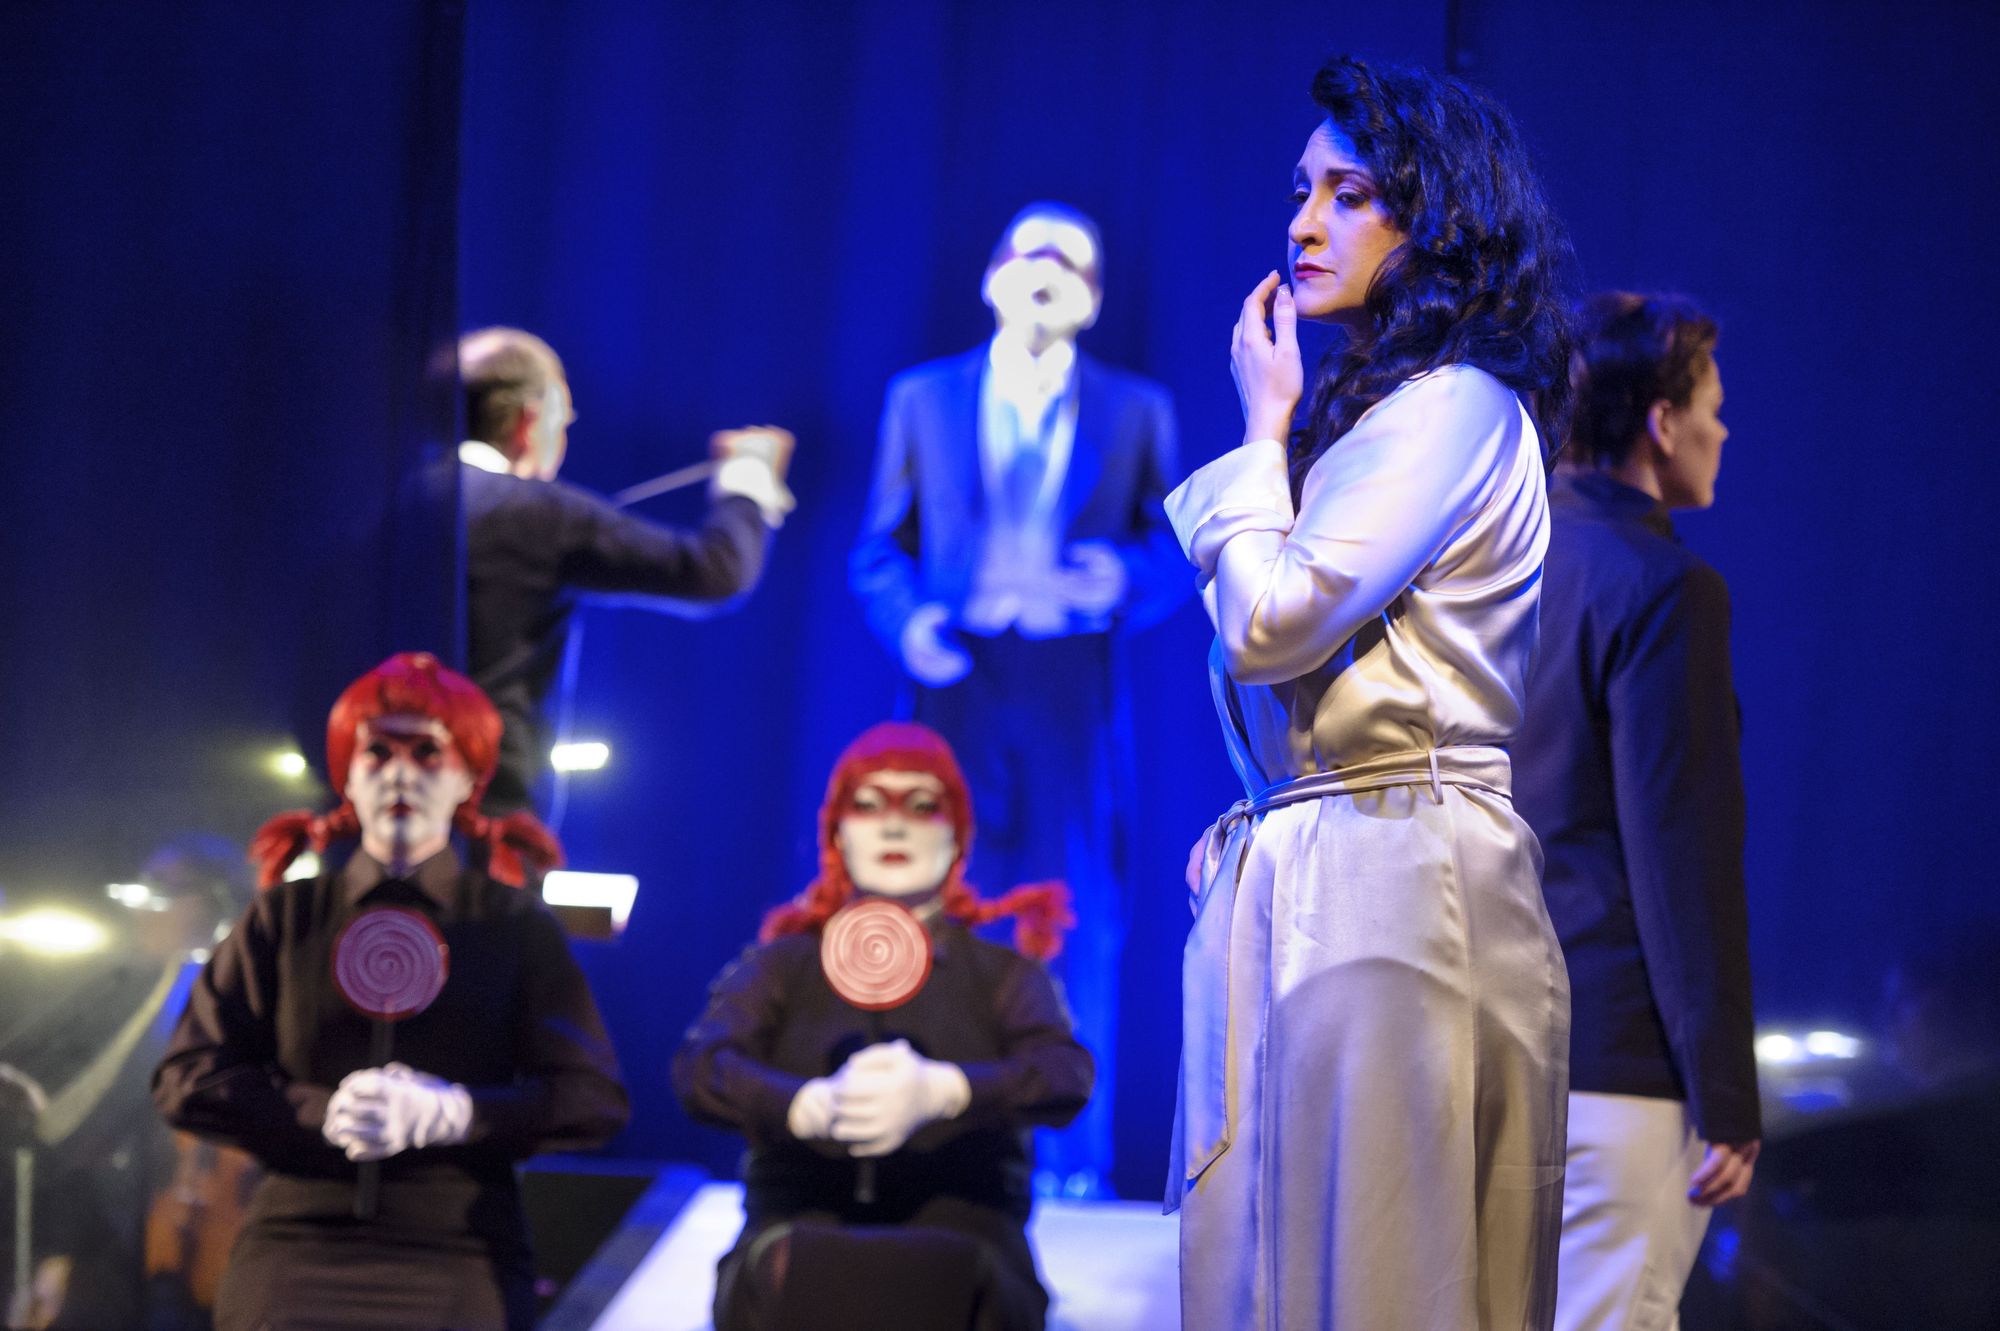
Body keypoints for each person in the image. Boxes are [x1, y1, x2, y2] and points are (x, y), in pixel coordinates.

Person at [1163, 57, 1575, 1329]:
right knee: (1291, 1257)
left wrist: (1258, 435)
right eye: (1300, 190)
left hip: (1394, 882)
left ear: (1436, 218)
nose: (1302, 223)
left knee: (1382, 1265)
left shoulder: (1451, 406)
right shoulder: (1401, 412)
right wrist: (1272, 803)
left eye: (1348, 194)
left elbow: (1268, 622)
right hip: (1349, 862)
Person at [849, 205, 1182, 1194]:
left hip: (1069, 684)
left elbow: (1172, 547)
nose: (1046, 271)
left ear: (1094, 297)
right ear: (992, 277)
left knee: (1076, 909)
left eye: (1071, 262)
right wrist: (907, 620)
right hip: (959, 674)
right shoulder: (922, 397)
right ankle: (921, 1130)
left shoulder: (1135, 408)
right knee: (928, 888)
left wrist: (1125, 577)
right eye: (1029, 254)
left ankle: (1065, 1156)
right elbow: (879, 547)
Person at [153, 652, 629, 1331]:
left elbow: (593, 1098)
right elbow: (187, 1076)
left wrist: (455, 1112)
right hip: (297, 1245)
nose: (400, 772)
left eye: (427, 752)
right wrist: (323, 1112)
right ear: (348, 773)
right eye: (377, 751)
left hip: (459, 1248)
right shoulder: (286, 916)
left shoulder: (513, 924)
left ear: (467, 777)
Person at [1513, 292, 1760, 1331]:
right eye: (1712, 406)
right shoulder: (1664, 587)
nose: (1723, 430)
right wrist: (1726, 1091)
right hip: (1613, 1059)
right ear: (1661, 420)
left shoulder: (1490, 571)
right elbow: (1679, 856)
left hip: (1472, 1041)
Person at [674, 722, 1092, 1331]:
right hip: (796, 1241)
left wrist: (950, 1092)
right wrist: (800, 1105)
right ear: (837, 833)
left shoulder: (1004, 975)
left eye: (921, 807)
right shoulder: (782, 965)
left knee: (945, 1271)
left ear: (957, 836)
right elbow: (701, 1067)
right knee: (801, 1270)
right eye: (869, 805)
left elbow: (1065, 1074)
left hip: (968, 1248)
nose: (894, 826)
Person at [458, 327, 796, 814]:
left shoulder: (386, 502)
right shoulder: (540, 513)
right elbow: (714, 572)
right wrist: (749, 475)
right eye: (563, 422)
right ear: (531, 421)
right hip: (491, 805)